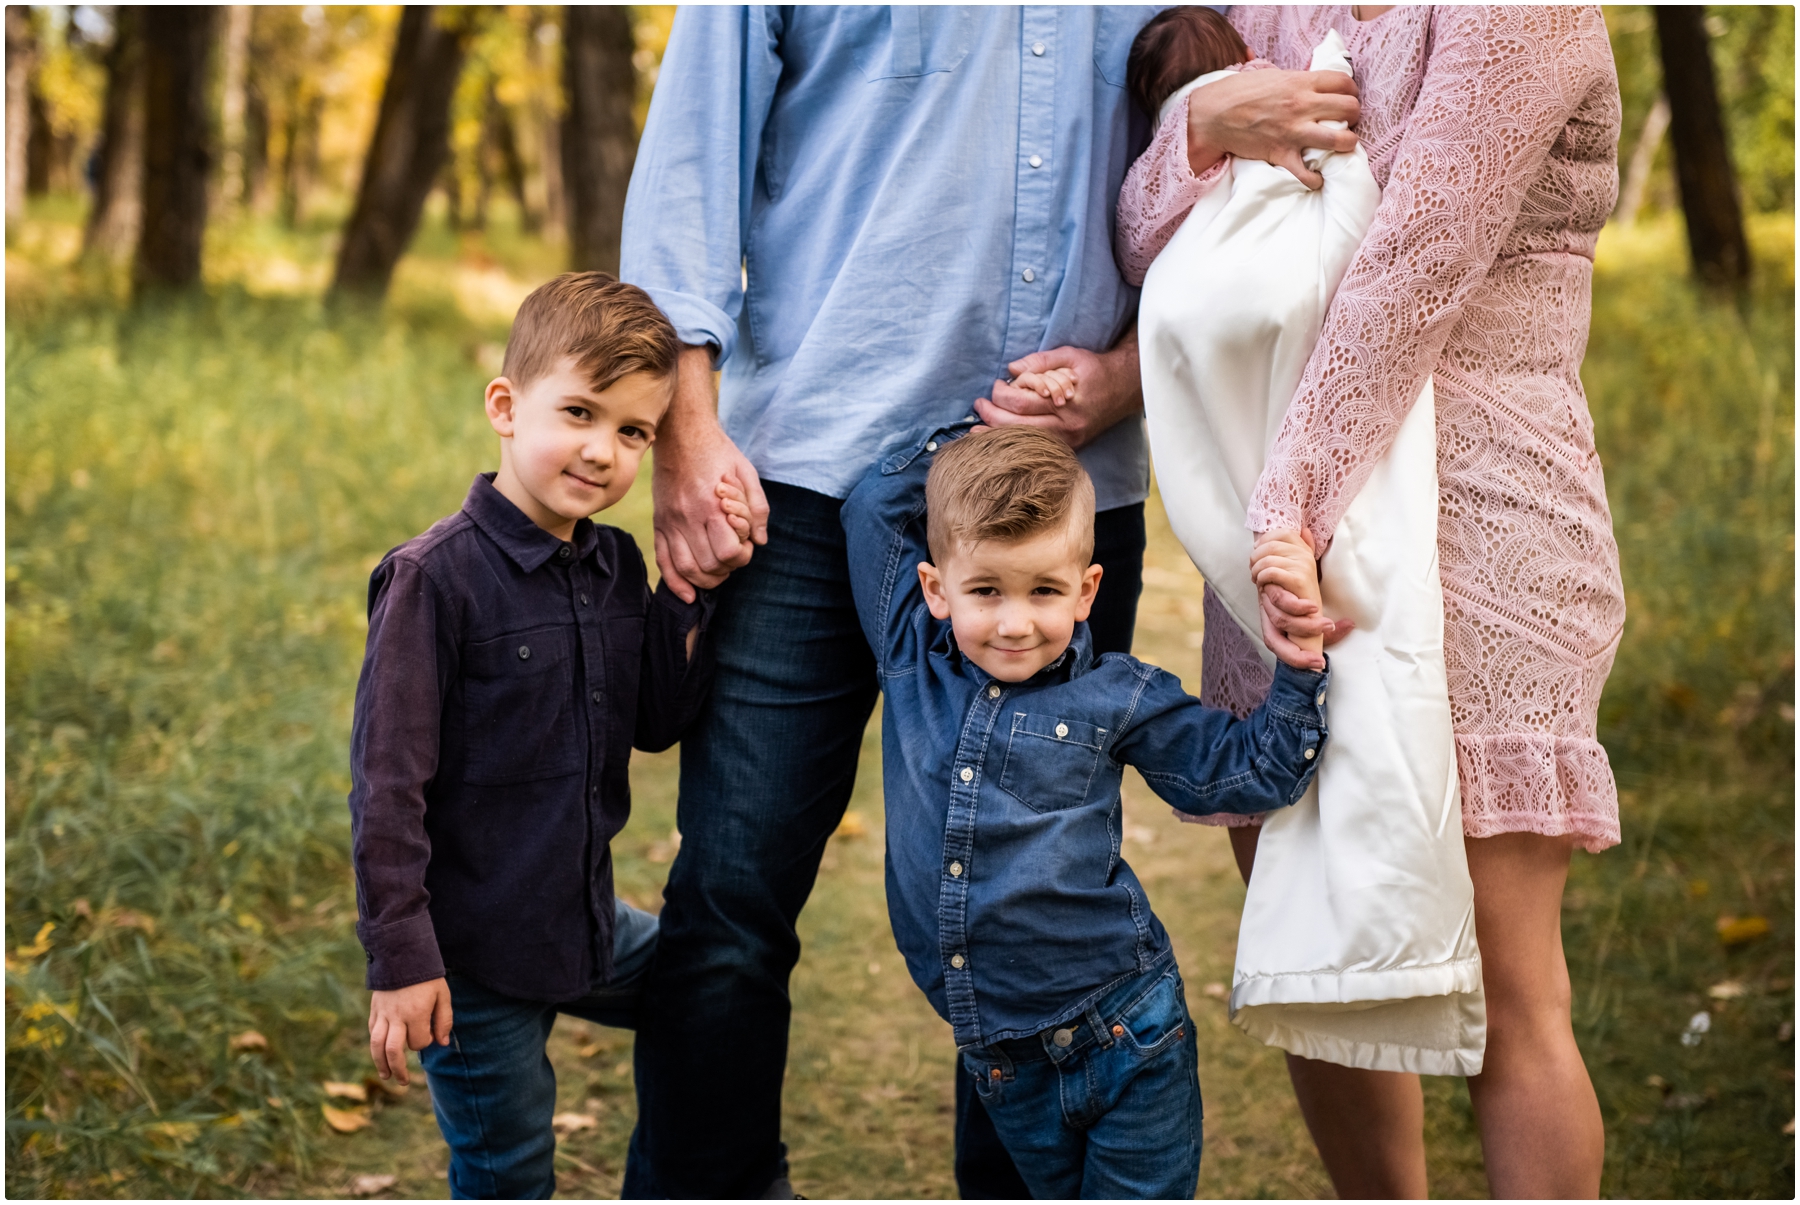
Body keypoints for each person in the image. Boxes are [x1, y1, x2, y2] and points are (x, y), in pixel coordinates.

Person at [616, 8, 1363, 1196]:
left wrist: (1128, 378)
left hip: (1057, 490)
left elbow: (1226, 165)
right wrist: (684, 428)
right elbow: (689, 165)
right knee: (731, 895)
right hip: (803, 473)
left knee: (1033, 903)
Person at [1116, 6, 1626, 1197]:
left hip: (1482, 526)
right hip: (1284, 552)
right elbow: (1149, 240)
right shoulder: (1264, 12)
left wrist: (1288, 512)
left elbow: (1417, 264)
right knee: (1321, 955)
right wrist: (1198, 123)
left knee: (1512, 989)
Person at [840, 422, 1329, 1198]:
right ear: (937, 589)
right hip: (1005, 1064)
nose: (1014, 621)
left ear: (1087, 590)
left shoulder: (1116, 696)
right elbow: (872, 506)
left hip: (1126, 1034)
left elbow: (1249, 770)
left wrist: (1301, 668)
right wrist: (987, 432)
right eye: (985, 590)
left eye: (1043, 590)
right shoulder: (912, 660)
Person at [345, 273, 747, 1199]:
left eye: (634, 431)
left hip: (584, 920)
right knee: (509, 1171)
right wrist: (402, 961)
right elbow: (386, 788)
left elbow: (654, 722)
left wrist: (688, 595)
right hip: (472, 960)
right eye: (578, 411)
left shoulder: (612, 564)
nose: (603, 450)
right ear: (505, 405)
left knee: (717, 984)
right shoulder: (432, 581)